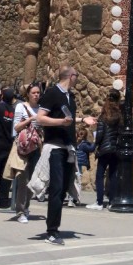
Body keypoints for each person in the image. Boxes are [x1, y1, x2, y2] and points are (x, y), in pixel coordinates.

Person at [34, 66, 96, 244]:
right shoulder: (52, 93)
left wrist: (82, 120)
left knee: (63, 189)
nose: (78, 79)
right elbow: (40, 118)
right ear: (71, 76)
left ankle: (54, 226)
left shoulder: (70, 97)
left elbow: (68, 119)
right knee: (56, 188)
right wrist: (61, 122)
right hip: (55, 147)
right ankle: (52, 232)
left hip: (68, 147)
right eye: (77, 75)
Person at [11, 83, 42, 223]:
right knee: (23, 179)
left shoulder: (41, 109)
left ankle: (26, 207)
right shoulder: (21, 107)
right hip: (23, 147)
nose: (36, 95)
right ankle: (20, 211)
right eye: (34, 92)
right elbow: (16, 127)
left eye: (38, 93)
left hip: (36, 147)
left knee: (33, 180)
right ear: (28, 94)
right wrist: (29, 120)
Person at [87, 90, 122, 211]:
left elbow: (100, 133)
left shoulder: (104, 115)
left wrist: (96, 145)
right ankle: (112, 202)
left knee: (100, 175)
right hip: (115, 149)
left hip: (104, 149)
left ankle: (99, 202)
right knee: (113, 175)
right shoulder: (119, 115)